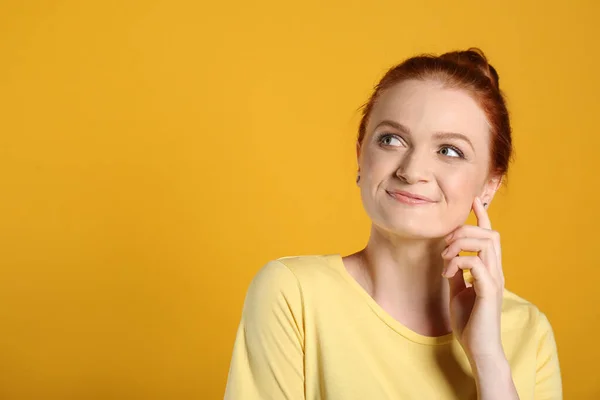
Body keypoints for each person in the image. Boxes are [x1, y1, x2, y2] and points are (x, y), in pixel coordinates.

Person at [223, 48, 562, 399]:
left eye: (449, 150)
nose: (412, 171)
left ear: (489, 184)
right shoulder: (294, 295)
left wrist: (488, 358)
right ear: (360, 156)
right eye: (391, 140)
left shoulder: (528, 332)